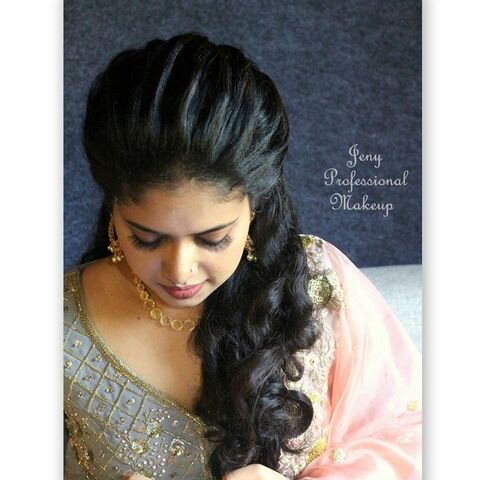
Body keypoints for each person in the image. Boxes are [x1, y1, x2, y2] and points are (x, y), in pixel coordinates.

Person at [64, 32, 422, 480]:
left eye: (213, 239)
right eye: (146, 238)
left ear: (253, 209)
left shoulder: (317, 284)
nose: (179, 270)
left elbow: (415, 436)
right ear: (114, 210)